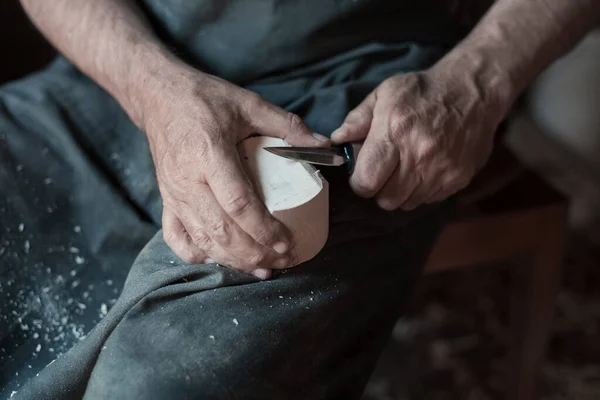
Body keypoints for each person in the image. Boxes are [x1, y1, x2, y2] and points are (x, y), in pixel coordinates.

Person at [0, 0, 597, 398]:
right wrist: (153, 91)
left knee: (165, 377)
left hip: (367, 101)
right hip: (125, 64)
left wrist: (483, 76)